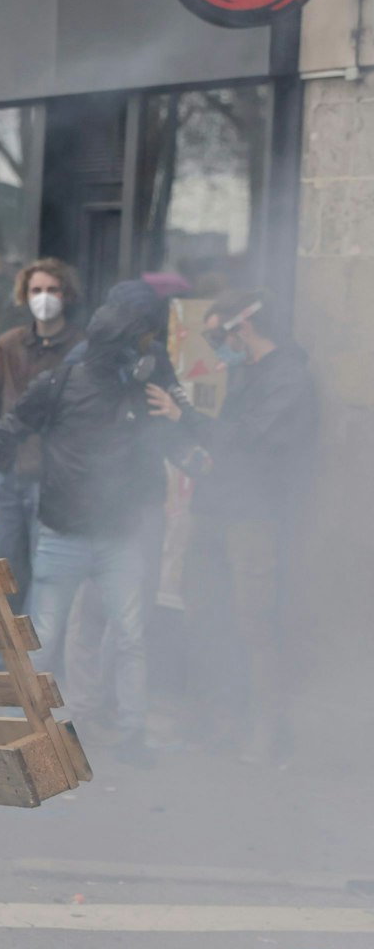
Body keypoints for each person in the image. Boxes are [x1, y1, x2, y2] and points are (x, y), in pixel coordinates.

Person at [0, 280, 175, 761]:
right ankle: (35, 727)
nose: (144, 355)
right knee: (49, 633)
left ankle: (131, 731)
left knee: (129, 635)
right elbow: (8, 431)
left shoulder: (142, 387)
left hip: (118, 533)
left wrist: (190, 434)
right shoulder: (62, 382)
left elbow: (162, 448)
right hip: (64, 532)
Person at [147, 289, 317, 763]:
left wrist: (186, 416)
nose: (219, 347)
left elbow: (248, 441)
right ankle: (218, 722)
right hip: (218, 510)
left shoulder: (288, 379)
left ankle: (266, 733)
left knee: (254, 624)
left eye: (220, 335)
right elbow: (226, 448)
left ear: (244, 327)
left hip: (254, 519)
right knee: (208, 617)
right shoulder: (248, 374)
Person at [0, 260, 85, 621]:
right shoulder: (8, 345)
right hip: (5, 470)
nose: (44, 298)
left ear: (66, 295)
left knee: (45, 570)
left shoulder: (80, 348)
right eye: (37, 290)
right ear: (25, 295)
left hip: (52, 476)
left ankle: (37, 654)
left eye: (52, 290)